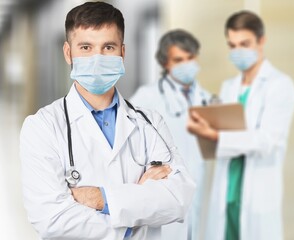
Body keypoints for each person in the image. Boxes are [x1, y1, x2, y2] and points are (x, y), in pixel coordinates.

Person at [20, 2, 195, 240]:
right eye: (86, 47)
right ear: (68, 53)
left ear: (122, 52)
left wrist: (101, 198)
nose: (97, 57)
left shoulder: (149, 123)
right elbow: (53, 220)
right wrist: (134, 221)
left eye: (108, 47)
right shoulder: (42, 127)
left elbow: (179, 199)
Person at [187, 11, 294, 240]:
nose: (238, 52)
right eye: (232, 45)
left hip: (256, 198)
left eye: (244, 44)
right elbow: (223, 135)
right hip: (227, 195)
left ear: (261, 41)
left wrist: (216, 136)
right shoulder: (229, 87)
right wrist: (204, 129)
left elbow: (267, 141)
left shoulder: (280, 85)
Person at [130, 29, 211, 240]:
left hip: (201, 194)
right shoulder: (145, 98)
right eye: (178, 59)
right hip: (167, 195)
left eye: (190, 58)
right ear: (165, 63)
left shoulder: (207, 99)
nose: (186, 64)